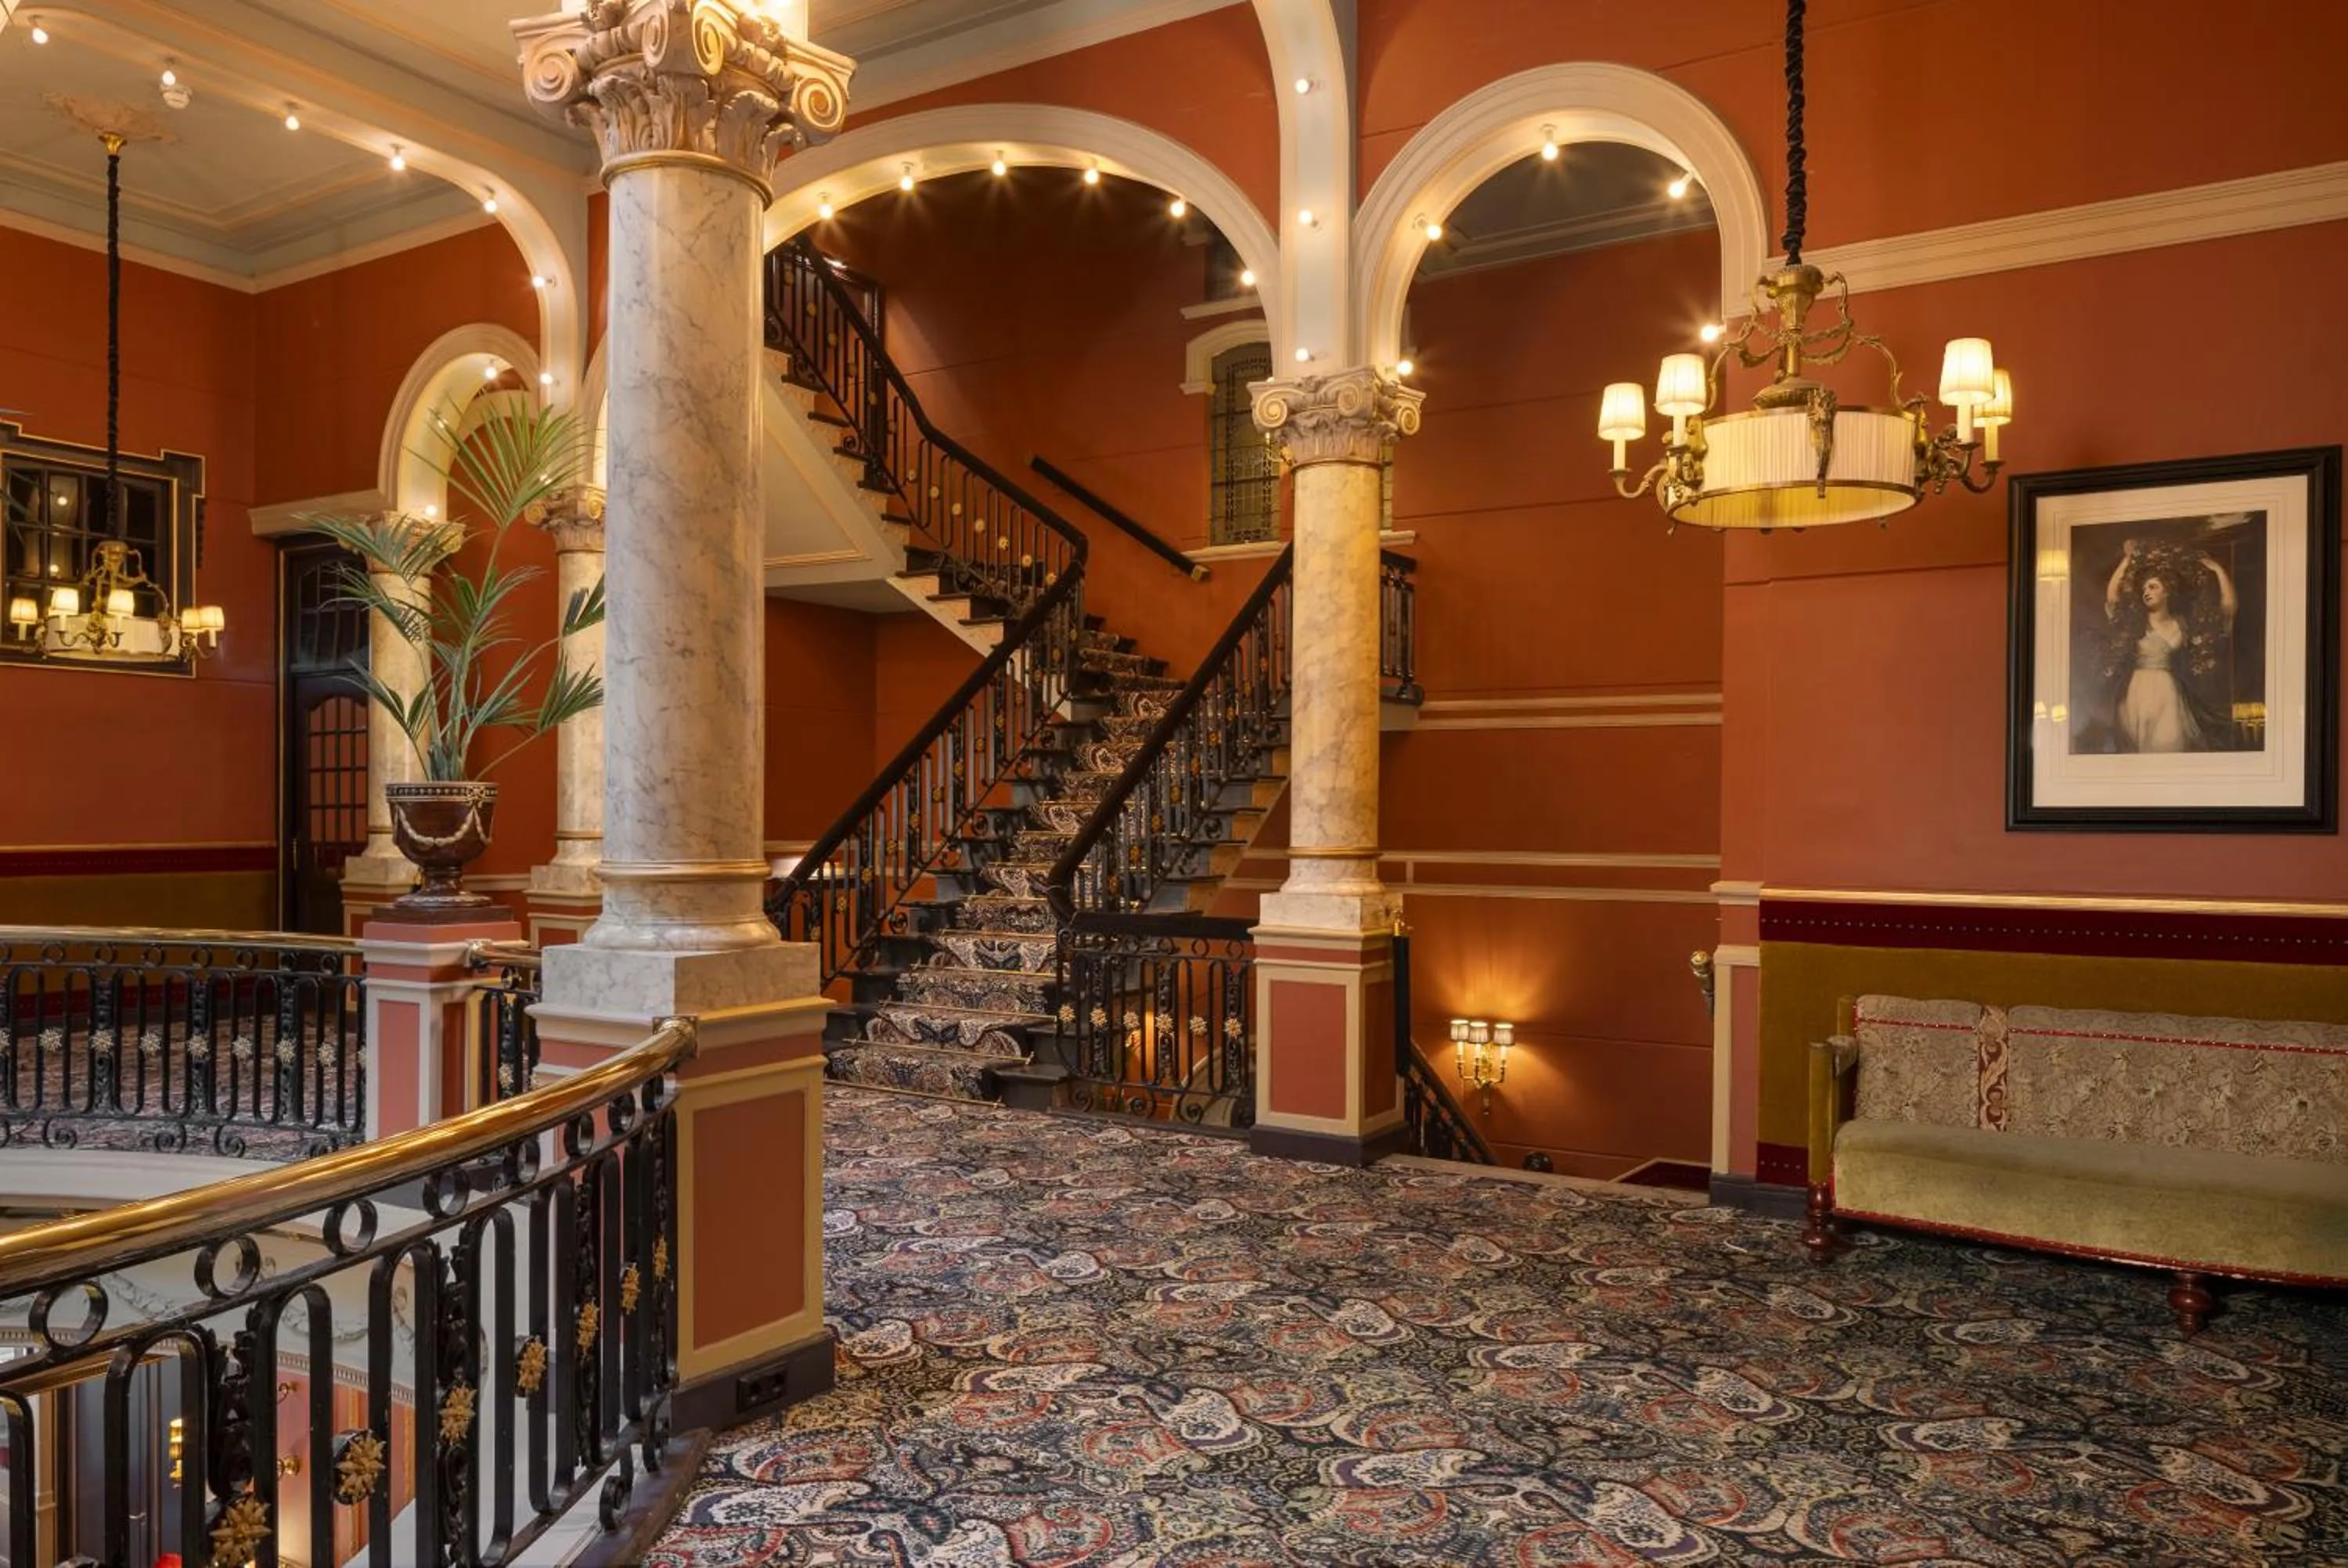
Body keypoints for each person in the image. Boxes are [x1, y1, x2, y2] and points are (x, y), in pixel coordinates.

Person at [2101, 538, 2238, 753]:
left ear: (2168, 591)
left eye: (2153, 587)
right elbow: (2112, 599)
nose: (2146, 591)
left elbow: (2227, 611)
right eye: (2144, 588)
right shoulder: (2136, 621)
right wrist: (2127, 561)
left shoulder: (2183, 624)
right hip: (2137, 692)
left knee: (2170, 747)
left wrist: (2218, 570)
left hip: (2169, 694)